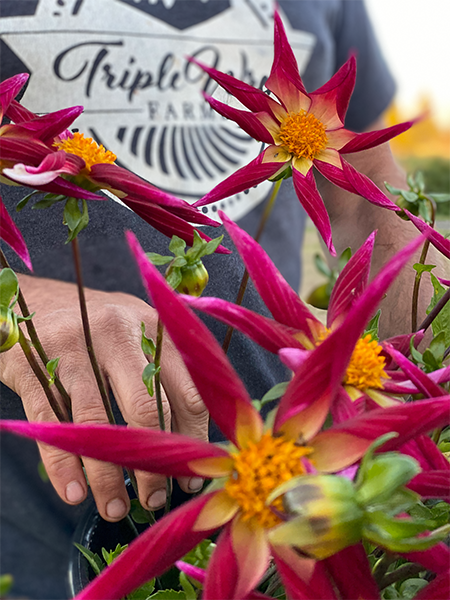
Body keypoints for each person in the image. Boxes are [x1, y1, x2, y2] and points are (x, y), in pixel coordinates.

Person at [0, 1, 433, 598]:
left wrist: (426, 362)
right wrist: (15, 310)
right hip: (33, 510)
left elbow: (366, 199)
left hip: (291, 494)